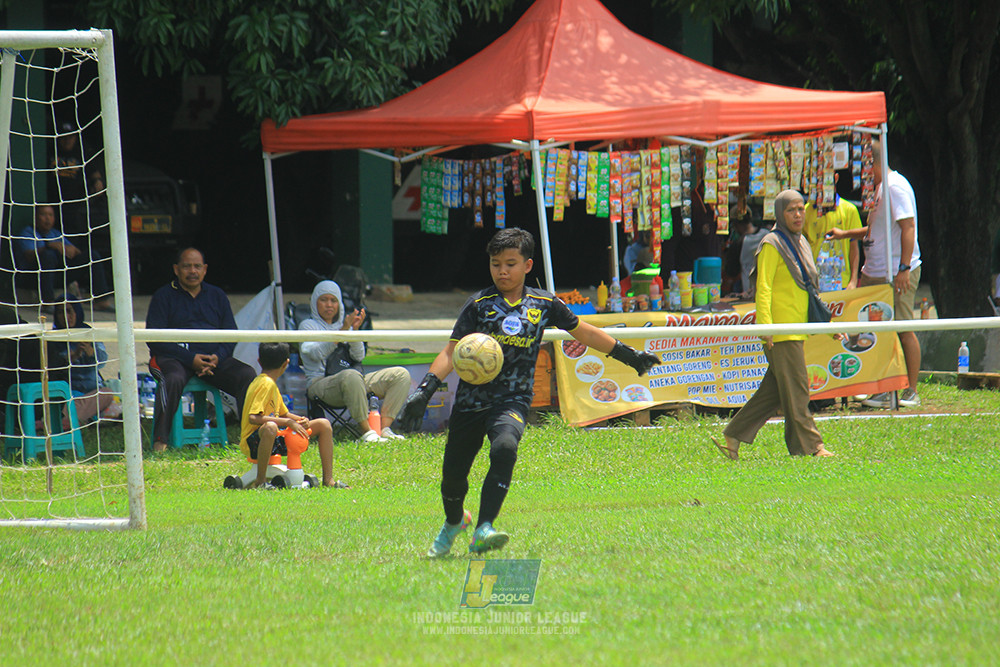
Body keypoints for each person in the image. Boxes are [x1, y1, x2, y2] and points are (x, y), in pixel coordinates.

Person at [394, 228, 660, 558]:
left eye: (510, 263)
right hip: (470, 401)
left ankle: (484, 528)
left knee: (505, 447)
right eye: (495, 264)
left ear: (528, 265)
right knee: (453, 479)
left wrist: (627, 354)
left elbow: (583, 331)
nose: (502, 271)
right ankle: (453, 522)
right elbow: (451, 352)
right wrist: (425, 390)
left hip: (512, 399)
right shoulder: (478, 304)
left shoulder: (543, 303)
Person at [713, 190, 836, 461]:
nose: (798, 215)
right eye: (791, 210)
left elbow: (809, 289)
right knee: (797, 388)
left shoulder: (801, 241)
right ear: (780, 213)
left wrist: (826, 322)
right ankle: (812, 447)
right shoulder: (771, 243)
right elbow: (764, 287)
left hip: (796, 328)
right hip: (780, 331)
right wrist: (765, 327)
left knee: (776, 391)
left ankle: (734, 434)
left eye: (801, 209)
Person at [828, 140, 922, 408]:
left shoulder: (895, 187)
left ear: (871, 161)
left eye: (862, 163)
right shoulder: (878, 188)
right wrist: (845, 234)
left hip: (895, 273)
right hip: (876, 272)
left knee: (903, 328)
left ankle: (911, 390)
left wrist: (904, 268)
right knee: (872, 331)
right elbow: (876, 230)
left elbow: (908, 227)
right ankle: (880, 387)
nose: (860, 171)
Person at [146, 247, 256, 452]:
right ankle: (160, 442)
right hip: (174, 359)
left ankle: (251, 439)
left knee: (246, 374)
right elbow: (155, 340)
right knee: (173, 379)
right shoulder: (163, 296)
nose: (192, 271)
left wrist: (218, 357)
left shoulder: (217, 295)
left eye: (197, 266)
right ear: (176, 269)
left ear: (205, 270)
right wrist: (190, 359)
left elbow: (232, 335)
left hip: (212, 361)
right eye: (187, 266)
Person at [298, 280, 411, 443]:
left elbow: (359, 357)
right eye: (324, 300)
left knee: (400, 374)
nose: (329, 305)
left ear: (339, 304)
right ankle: (367, 433)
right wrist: (342, 332)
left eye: (333, 300)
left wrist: (354, 331)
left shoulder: (346, 326)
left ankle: (383, 429)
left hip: (353, 381)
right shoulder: (307, 326)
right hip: (320, 384)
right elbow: (315, 353)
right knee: (351, 375)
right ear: (315, 303)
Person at [239, 342, 343, 489]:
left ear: (259, 361)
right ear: (286, 363)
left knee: (323, 425)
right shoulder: (264, 383)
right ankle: (260, 481)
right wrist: (288, 422)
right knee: (270, 427)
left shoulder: (271, 384)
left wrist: (299, 420)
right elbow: (253, 418)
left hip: (276, 438)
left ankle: (329, 480)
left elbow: (284, 413)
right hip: (254, 443)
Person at [15, 205, 113, 309]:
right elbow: (29, 256)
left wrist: (72, 250)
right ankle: (48, 302)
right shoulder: (28, 232)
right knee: (48, 255)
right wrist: (49, 246)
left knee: (92, 255)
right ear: (35, 217)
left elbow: (76, 252)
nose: (47, 218)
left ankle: (101, 301)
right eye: (43, 215)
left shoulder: (55, 233)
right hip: (33, 278)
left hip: (56, 277)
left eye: (50, 215)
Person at [50, 296, 117, 429]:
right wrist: (72, 357)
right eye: (60, 312)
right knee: (63, 402)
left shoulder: (88, 332)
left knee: (106, 393)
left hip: (91, 392)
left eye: (69, 311)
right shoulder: (53, 337)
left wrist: (91, 353)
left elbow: (102, 360)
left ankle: (66, 421)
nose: (65, 316)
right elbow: (51, 367)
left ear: (78, 312)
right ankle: (74, 420)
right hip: (68, 393)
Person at [803, 176, 862, 290]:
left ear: (836, 178)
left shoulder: (849, 209)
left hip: (842, 283)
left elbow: (854, 248)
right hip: (815, 284)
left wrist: (853, 280)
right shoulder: (806, 211)